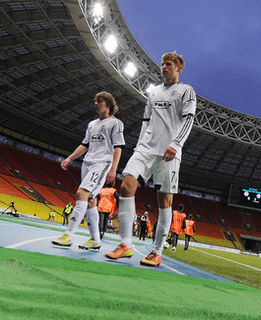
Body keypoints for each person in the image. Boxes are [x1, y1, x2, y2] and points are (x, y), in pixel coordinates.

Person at [106, 52, 196, 267]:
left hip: (169, 152)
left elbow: (189, 119)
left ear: (179, 69)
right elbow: (146, 121)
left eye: (169, 64)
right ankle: (125, 244)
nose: (164, 67)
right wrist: (139, 146)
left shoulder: (186, 91)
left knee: (164, 201)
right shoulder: (154, 92)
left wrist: (176, 144)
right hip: (145, 149)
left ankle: (156, 251)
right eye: (163, 64)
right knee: (126, 186)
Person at [52, 91, 124, 250]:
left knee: (81, 193)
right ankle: (95, 240)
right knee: (91, 201)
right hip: (87, 162)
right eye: (95, 101)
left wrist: (113, 168)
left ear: (108, 104)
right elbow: (85, 145)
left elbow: (118, 147)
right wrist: (70, 158)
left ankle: (68, 235)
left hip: (102, 163)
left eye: (99, 101)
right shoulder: (92, 124)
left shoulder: (115, 123)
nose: (96, 104)